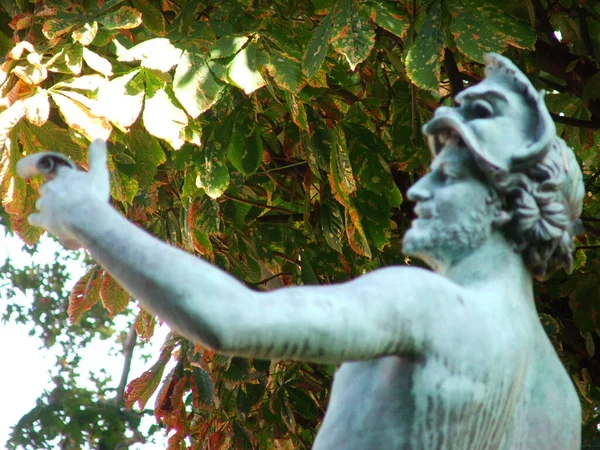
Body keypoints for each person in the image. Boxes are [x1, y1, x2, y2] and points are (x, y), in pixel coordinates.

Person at [18, 53, 583, 449]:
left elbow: (232, 320)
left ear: (512, 201)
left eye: (451, 177)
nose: (419, 190)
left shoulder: (427, 304)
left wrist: (89, 217)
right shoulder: (562, 405)